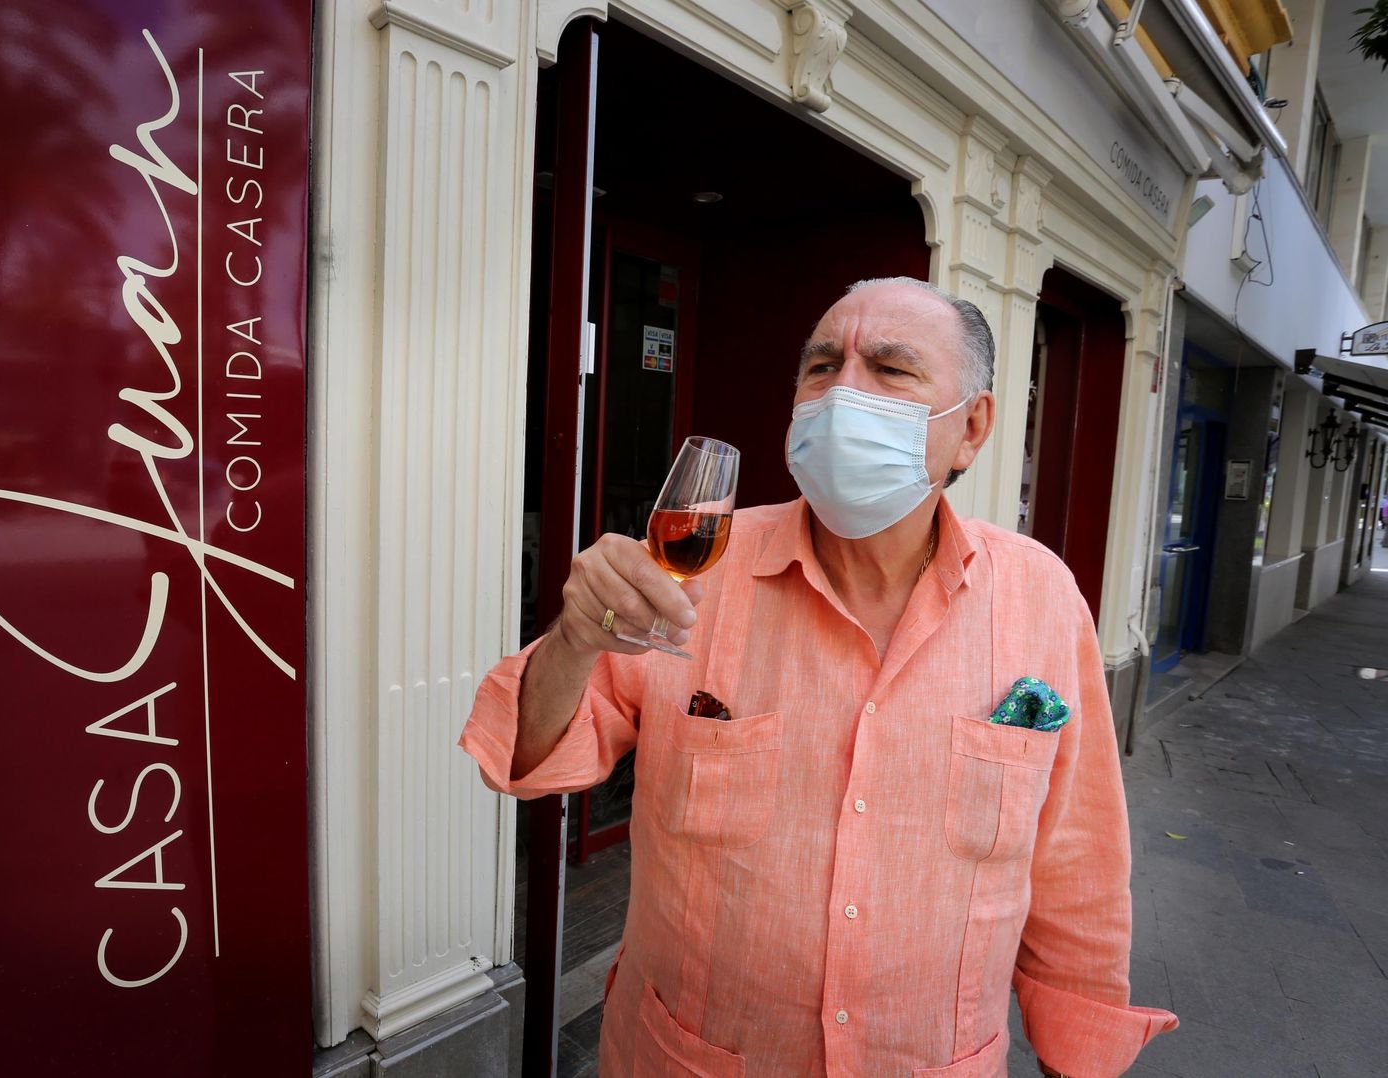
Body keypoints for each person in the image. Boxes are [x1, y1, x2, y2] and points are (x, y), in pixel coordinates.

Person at [460, 278, 1177, 1077]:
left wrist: (1079, 1058)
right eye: (823, 367)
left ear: (971, 426)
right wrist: (575, 638)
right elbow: (523, 758)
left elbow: (1078, 861)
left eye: (890, 370)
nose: (843, 393)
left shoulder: (1039, 597)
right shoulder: (697, 575)